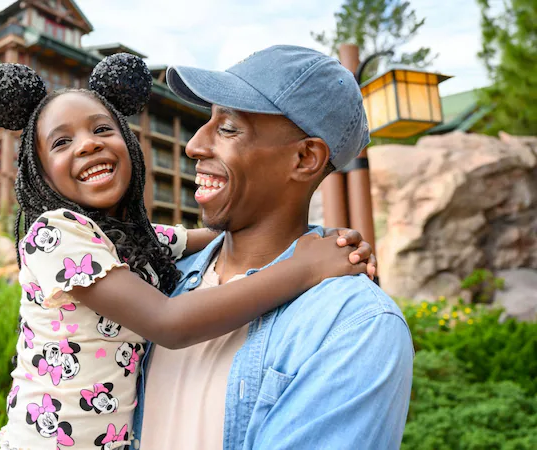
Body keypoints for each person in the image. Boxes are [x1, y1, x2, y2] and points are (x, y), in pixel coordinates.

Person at [0, 53, 378, 450]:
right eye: (62, 142)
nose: (87, 145)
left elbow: (205, 235)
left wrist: (324, 241)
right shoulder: (55, 234)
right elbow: (169, 323)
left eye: (102, 129)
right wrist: (303, 267)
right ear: (38, 169)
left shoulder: (133, 240)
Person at [134, 45, 414, 450]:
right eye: (206, 121)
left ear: (304, 158)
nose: (194, 146)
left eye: (228, 128)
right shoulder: (162, 279)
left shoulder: (356, 325)